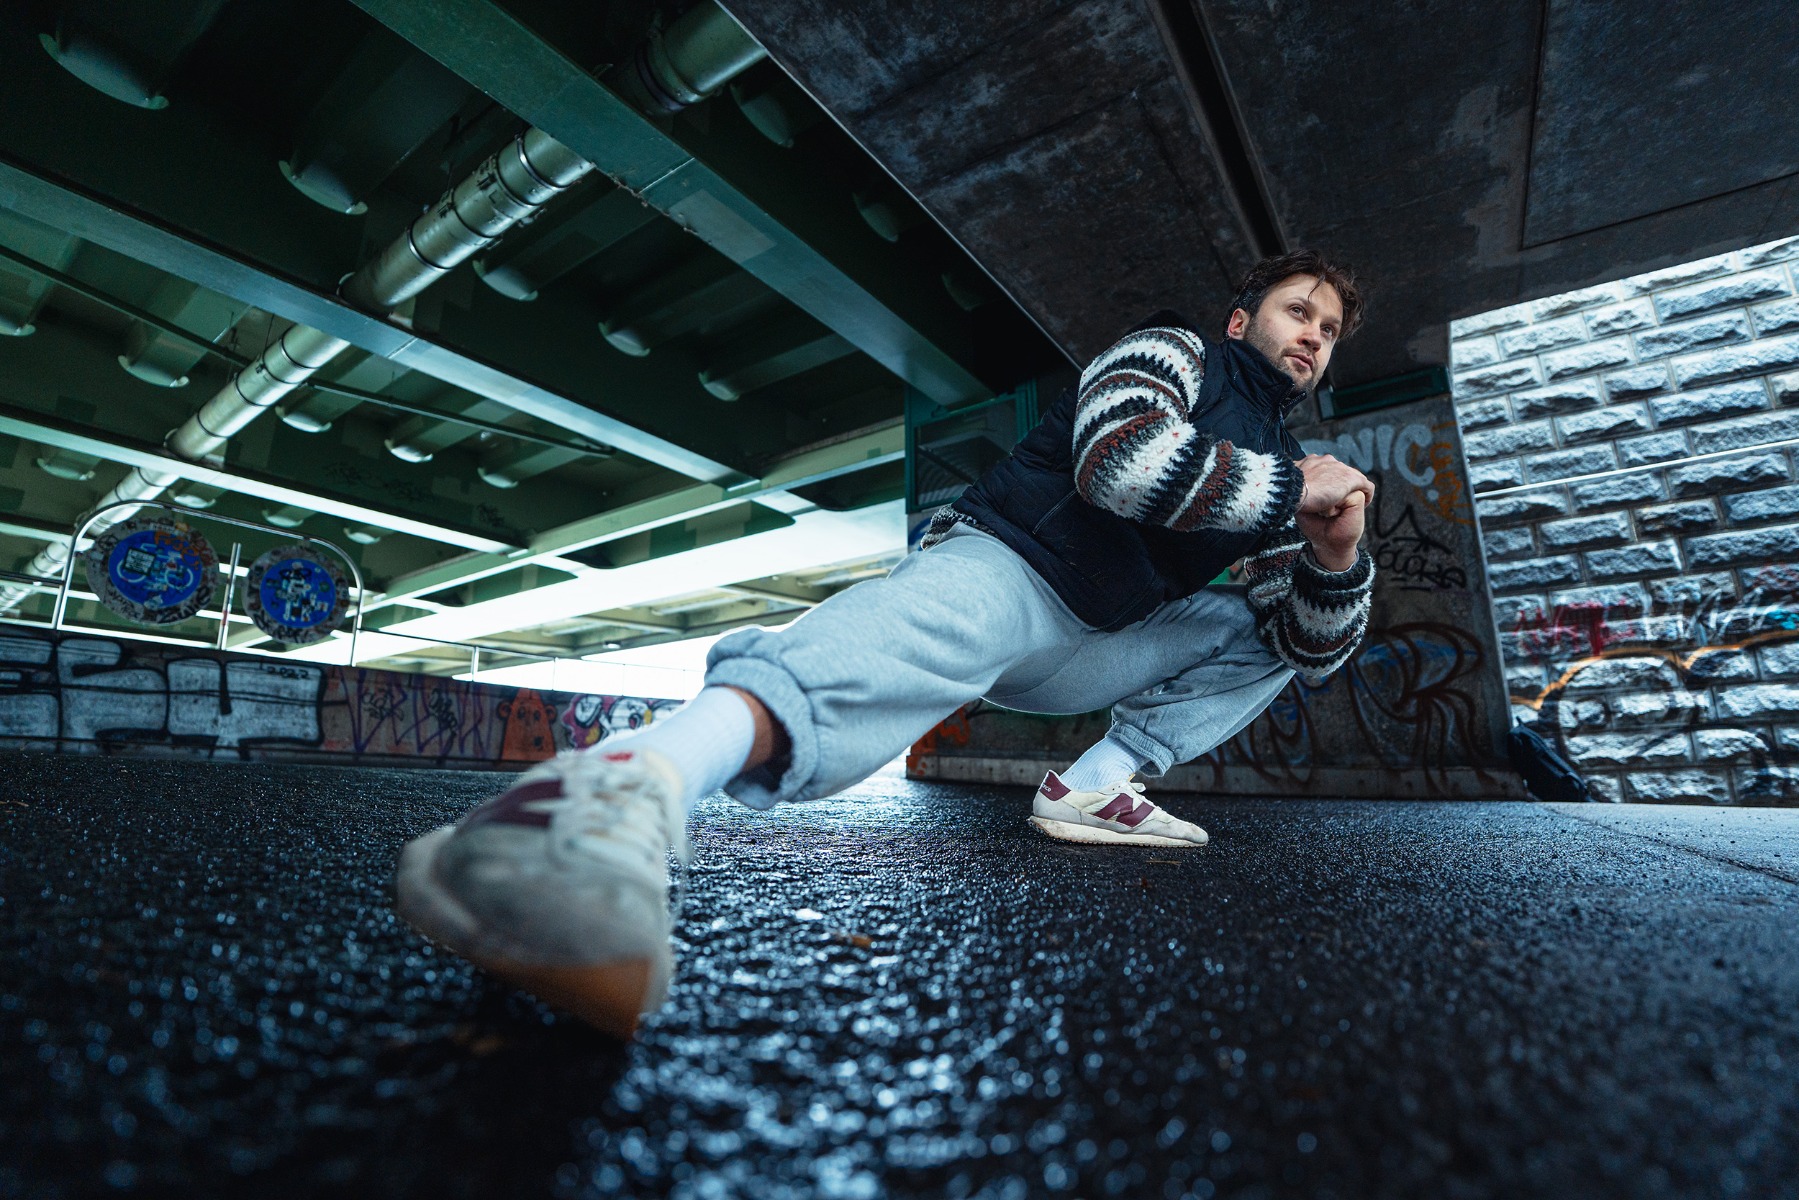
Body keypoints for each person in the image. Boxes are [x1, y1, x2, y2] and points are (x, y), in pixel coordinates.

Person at [394, 249, 1378, 1036]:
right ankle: (609, 794)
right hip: (1010, 567)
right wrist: (1296, 496)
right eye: (1300, 312)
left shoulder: (1287, 463)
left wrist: (1337, 558)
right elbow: (1118, 462)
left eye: (1328, 331)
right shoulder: (1177, 354)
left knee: (1256, 623)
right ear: (1243, 320)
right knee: (896, 645)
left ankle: (1094, 783)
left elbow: (1313, 651)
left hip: (1090, 644)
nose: (1313, 337)